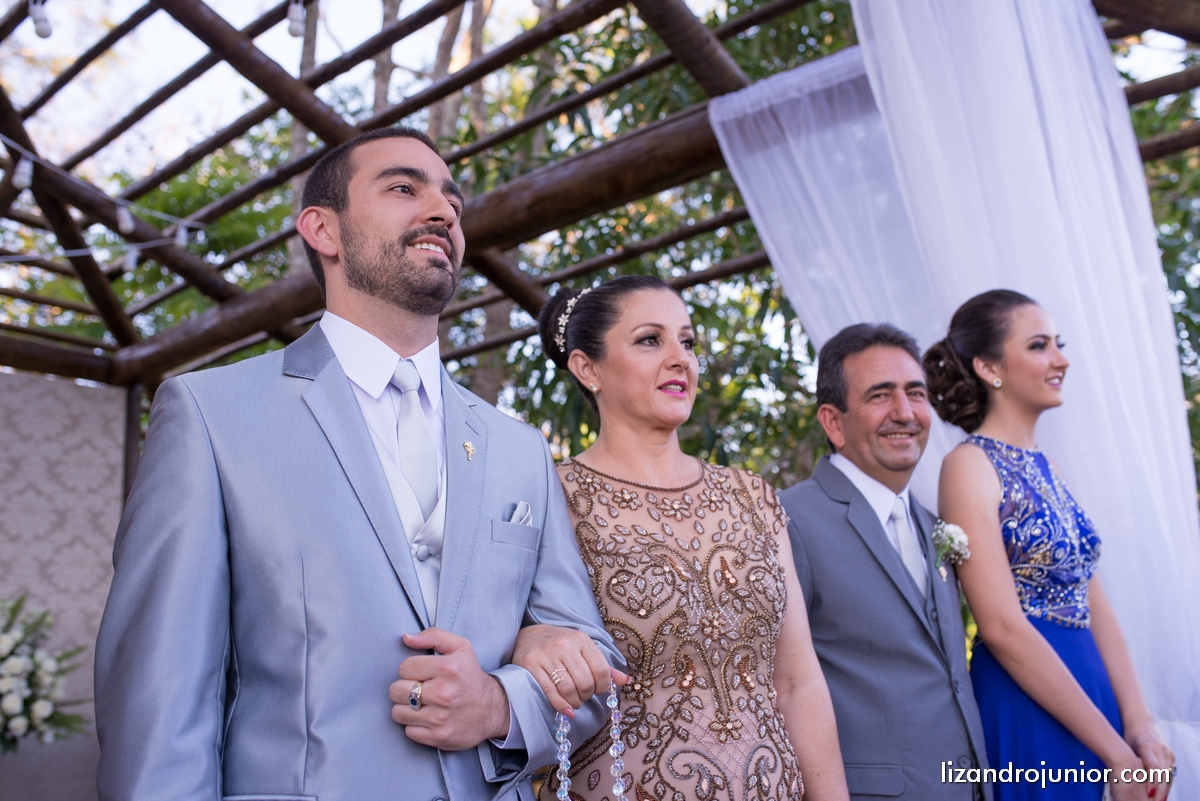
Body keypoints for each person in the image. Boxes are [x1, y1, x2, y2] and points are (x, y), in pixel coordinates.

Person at [94, 127, 622, 801]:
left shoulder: (517, 447)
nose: (443, 212)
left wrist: (498, 705)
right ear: (322, 228)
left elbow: (595, 664)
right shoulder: (209, 414)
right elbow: (158, 696)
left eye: (453, 204)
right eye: (405, 188)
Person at [516, 275, 849, 801]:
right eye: (651, 339)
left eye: (688, 342)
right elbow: (505, 641)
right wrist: (524, 643)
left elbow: (797, 679)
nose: (681, 359)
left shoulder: (752, 496)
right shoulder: (551, 495)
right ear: (587, 367)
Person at [925, 290, 1174, 801]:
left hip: (1092, 699)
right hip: (1028, 703)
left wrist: (1139, 724)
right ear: (989, 367)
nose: (1060, 359)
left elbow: (1096, 605)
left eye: (1058, 344)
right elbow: (1000, 627)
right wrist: (1117, 755)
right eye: (1039, 345)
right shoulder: (968, 466)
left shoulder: (1048, 468)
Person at [778, 323, 991, 800]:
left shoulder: (934, 520)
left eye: (916, 393)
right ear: (833, 422)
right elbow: (779, 684)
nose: (905, 412)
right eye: (880, 395)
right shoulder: (786, 520)